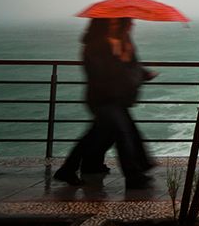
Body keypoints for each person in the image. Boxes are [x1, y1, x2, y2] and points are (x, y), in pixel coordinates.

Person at [53, 18, 156, 189]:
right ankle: (133, 176)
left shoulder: (123, 42)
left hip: (117, 98)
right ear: (103, 25)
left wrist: (143, 73)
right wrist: (119, 59)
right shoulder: (95, 46)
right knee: (123, 134)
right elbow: (100, 74)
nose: (131, 25)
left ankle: (72, 169)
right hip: (102, 99)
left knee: (98, 135)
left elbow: (133, 66)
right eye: (113, 23)